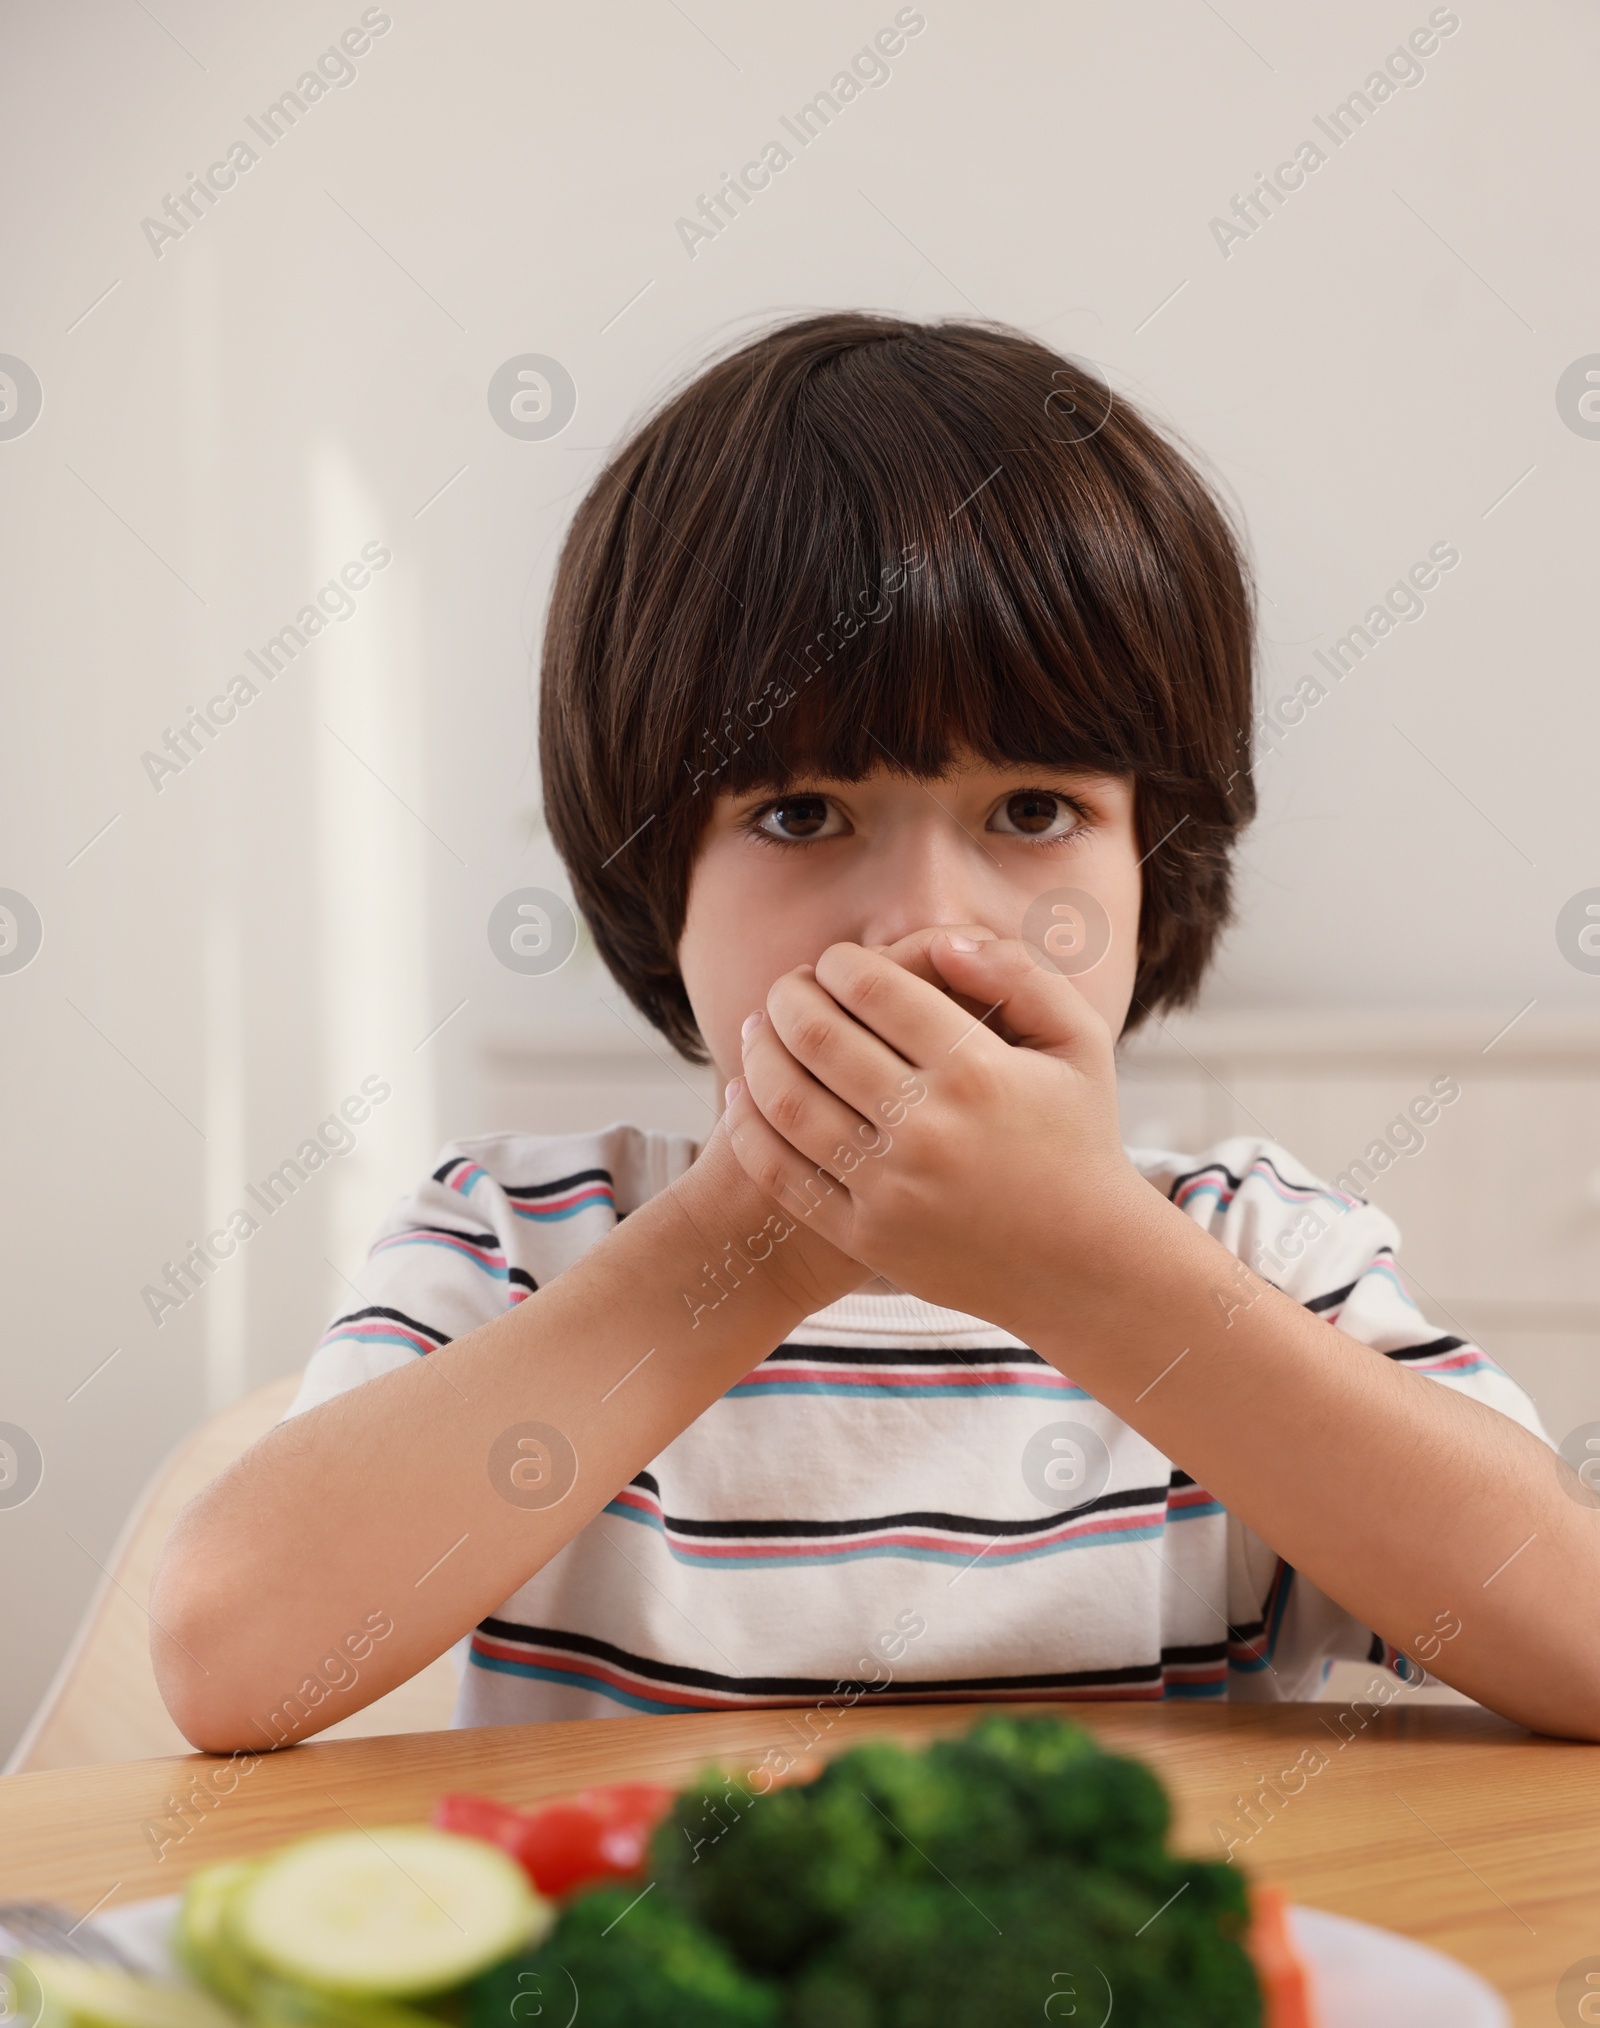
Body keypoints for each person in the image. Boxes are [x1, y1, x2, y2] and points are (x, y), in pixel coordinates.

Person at [151, 312, 1598, 1750]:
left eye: (1033, 813)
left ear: (1158, 864)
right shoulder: (518, 1240)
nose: (927, 927)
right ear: (656, 880)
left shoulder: (1259, 1255)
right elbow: (227, 1659)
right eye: (801, 814)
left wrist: (1097, 1269)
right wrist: (749, 1241)